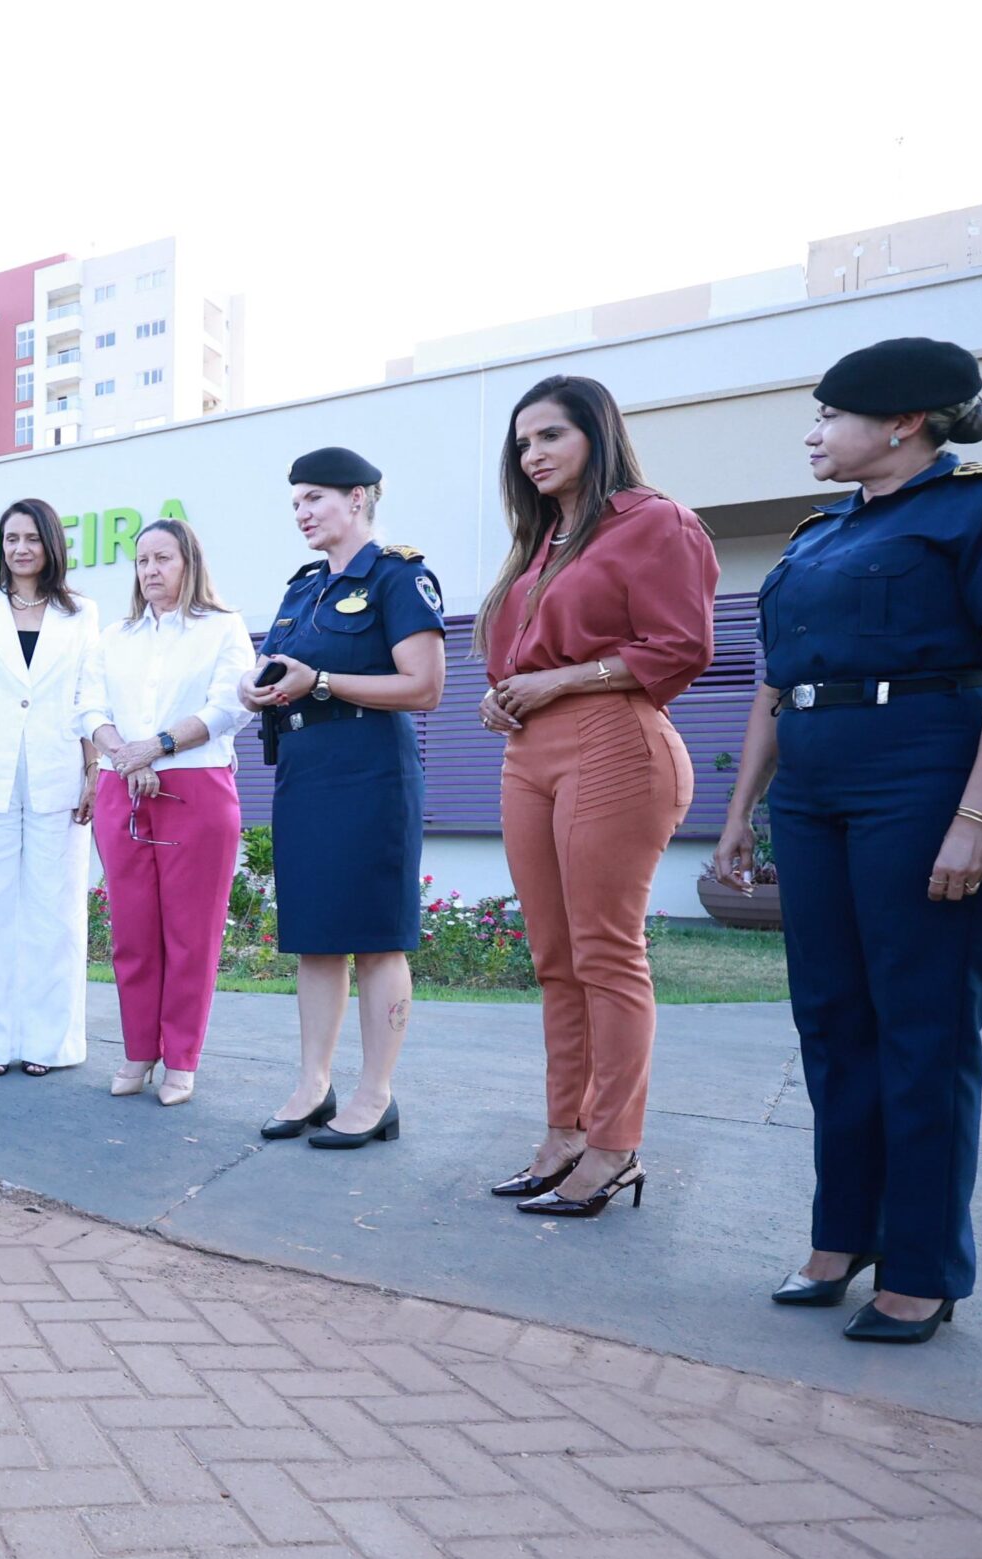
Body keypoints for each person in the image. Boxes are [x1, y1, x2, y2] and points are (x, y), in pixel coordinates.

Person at [716, 337, 982, 1344]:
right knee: (831, 1019)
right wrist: (743, 813)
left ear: (903, 421)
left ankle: (919, 1263)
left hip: (921, 772)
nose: (811, 432)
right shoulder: (817, 535)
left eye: (829, 415)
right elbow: (774, 684)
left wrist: (978, 815)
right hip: (815, 782)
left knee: (922, 1024)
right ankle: (842, 1235)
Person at [476, 378, 719, 1217]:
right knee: (553, 957)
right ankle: (564, 1132)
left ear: (596, 433)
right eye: (521, 443)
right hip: (528, 752)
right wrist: (504, 693)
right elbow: (521, 664)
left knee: (607, 952)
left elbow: (681, 647)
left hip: (613, 741)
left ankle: (615, 1145)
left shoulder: (655, 523)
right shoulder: (540, 542)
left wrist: (558, 682)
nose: (532, 454)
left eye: (549, 435)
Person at [243, 449, 447, 1147]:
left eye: (314, 499)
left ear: (357, 499)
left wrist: (321, 681)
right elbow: (285, 666)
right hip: (305, 771)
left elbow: (424, 685)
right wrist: (258, 684)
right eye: (295, 501)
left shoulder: (398, 576)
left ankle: (375, 1093)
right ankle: (313, 1084)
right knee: (315, 937)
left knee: (377, 936)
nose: (301, 513)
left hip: (370, 773)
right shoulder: (302, 588)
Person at [84, 518, 253, 1106]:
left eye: (163, 559)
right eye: (142, 561)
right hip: (121, 787)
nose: (151, 571)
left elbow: (231, 705)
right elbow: (89, 708)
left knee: (191, 933)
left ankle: (181, 1057)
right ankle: (138, 1051)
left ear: (189, 564)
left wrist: (157, 747)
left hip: (195, 788)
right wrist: (127, 758)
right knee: (132, 932)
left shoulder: (222, 629)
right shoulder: (115, 636)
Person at [0, 498, 103, 1076]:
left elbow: (90, 699)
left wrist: (93, 775)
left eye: (31, 538)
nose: (20, 548)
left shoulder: (82, 613)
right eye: (10, 538)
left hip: (59, 776)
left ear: (51, 544)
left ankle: (48, 1044)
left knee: (55, 915)